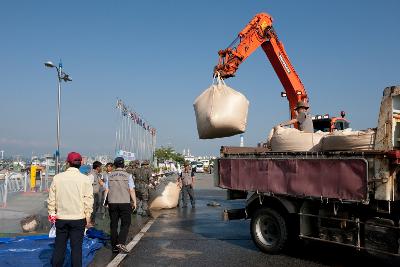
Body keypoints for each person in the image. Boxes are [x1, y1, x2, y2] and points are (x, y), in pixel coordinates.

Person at [47, 152, 93, 267]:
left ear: (68, 163)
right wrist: (88, 217)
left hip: (61, 218)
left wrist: (52, 215)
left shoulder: (57, 178)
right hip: (78, 219)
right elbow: (88, 200)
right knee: (76, 249)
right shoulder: (85, 179)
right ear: (80, 163)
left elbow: (51, 199)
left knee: (59, 247)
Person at [104, 157, 137, 253]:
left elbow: (107, 190)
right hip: (124, 202)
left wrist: (105, 202)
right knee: (125, 224)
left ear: (114, 165)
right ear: (123, 165)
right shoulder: (128, 175)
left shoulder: (109, 176)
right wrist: (134, 202)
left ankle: (114, 247)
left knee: (113, 225)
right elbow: (131, 190)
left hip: (112, 203)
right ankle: (121, 242)